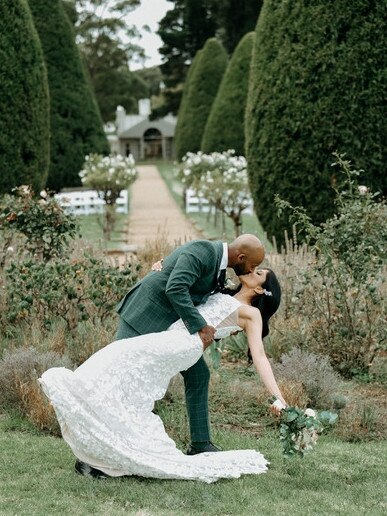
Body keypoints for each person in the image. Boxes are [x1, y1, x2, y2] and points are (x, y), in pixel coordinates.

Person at [39, 267, 287, 483]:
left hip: (181, 344)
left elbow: (260, 357)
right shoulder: (224, 293)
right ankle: (103, 445)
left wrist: (278, 398)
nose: (253, 270)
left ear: (259, 289)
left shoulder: (251, 314)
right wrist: (163, 265)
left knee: (119, 353)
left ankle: (82, 399)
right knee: (119, 368)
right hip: (172, 336)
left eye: (259, 273)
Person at [115, 235, 265, 455]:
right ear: (241, 257)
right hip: (143, 315)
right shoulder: (203, 251)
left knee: (198, 375)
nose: (252, 270)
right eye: (253, 266)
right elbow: (175, 288)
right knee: (120, 380)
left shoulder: (219, 267)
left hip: (170, 329)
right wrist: (201, 327)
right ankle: (95, 455)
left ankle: (200, 444)